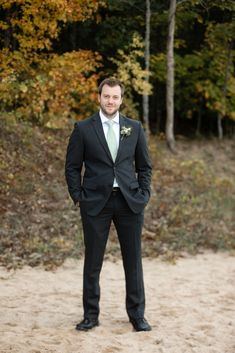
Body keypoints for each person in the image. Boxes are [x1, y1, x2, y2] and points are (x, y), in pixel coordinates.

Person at [65, 77, 152, 332]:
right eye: (106, 96)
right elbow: (72, 166)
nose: (110, 101)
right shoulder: (83, 128)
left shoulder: (134, 127)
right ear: (99, 97)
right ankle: (90, 315)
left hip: (129, 202)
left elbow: (144, 166)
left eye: (115, 97)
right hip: (95, 203)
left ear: (121, 99)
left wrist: (144, 192)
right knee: (93, 261)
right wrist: (77, 195)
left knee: (133, 261)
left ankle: (137, 315)